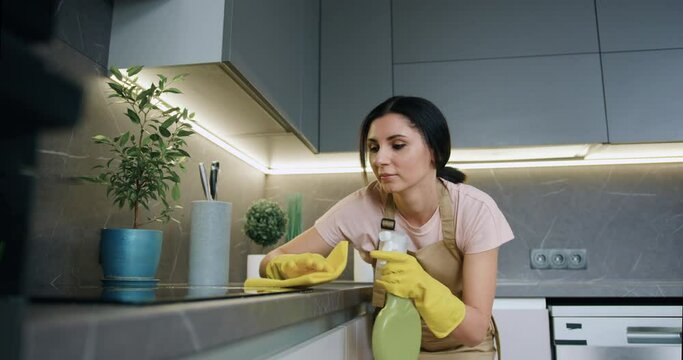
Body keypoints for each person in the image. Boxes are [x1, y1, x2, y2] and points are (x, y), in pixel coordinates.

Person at [259, 96, 514, 359]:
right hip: (394, 347)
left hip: (464, 348)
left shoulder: (474, 210)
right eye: (373, 147)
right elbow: (270, 261)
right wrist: (288, 266)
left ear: (434, 152)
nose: (380, 159)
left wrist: (422, 286)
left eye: (398, 145)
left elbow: (474, 330)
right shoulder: (361, 208)